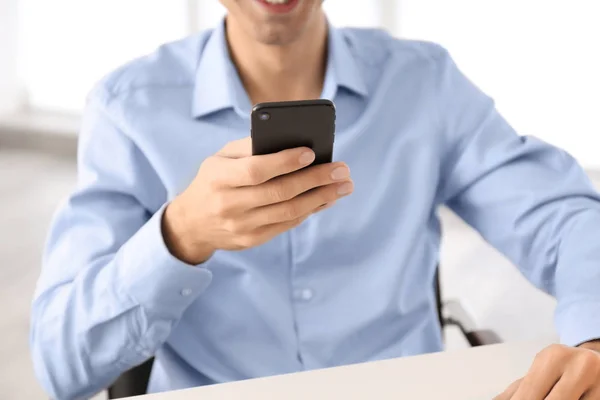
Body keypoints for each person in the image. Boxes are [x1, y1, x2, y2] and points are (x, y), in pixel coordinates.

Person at [31, 0, 600, 399]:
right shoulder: (128, 108)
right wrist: (180, 235)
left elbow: (562, 219)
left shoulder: (425, 83)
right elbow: (61, 367)